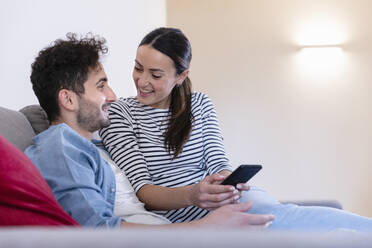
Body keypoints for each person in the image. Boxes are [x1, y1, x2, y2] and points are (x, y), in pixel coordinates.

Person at [99, 27, 372, 231]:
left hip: (230, 205)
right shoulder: (120, 113)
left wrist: (227, 183)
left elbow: (219, 164)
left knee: (319, 227)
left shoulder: (200, 104)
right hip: (195, 218)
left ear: (181, 76)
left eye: (156, 75)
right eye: (138, 68)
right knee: (308, 228)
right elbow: (143, 190)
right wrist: (193, 195)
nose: (142, 81)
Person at [24, 33, 274, 229]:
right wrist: (204, 229)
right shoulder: (60, 149)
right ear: (68, 100)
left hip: (176, 228)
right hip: (179, 233)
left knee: (265, 210)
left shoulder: (97, 148)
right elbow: (97, 230)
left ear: (181, 76)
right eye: (101, 86)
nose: (112, 96)